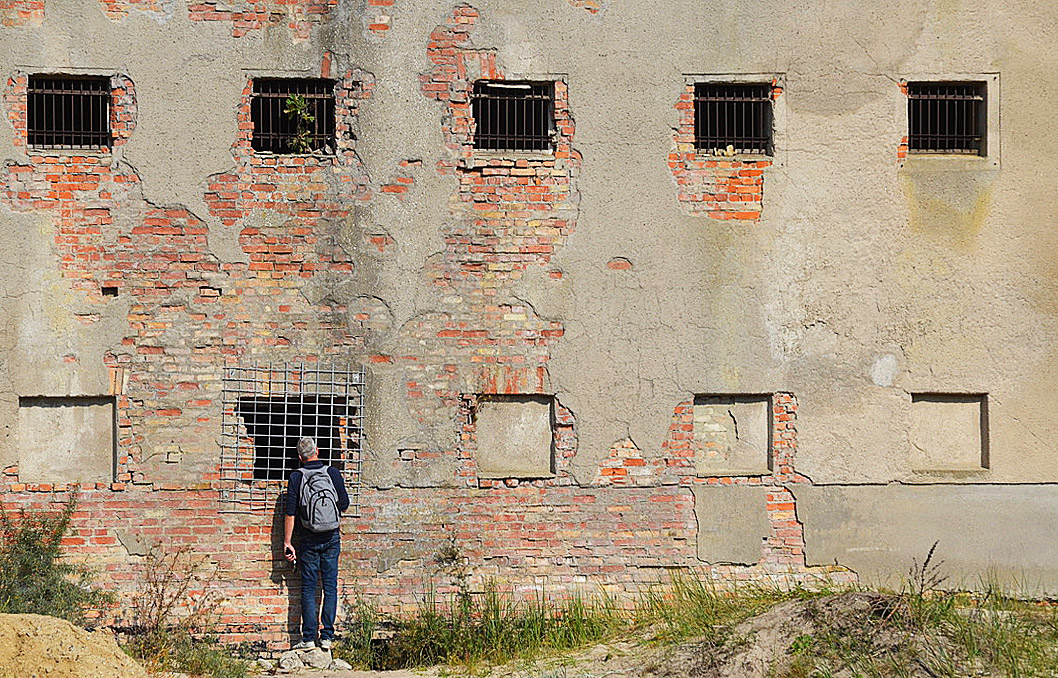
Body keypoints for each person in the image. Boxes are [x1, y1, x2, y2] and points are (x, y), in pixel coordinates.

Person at [283, 436, 349, 650]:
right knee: (330, 587)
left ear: (300, 457)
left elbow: (290, 512)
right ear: (317, 451)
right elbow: (345, 504)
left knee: (309, 588)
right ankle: (328, 637)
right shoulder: (332, 473)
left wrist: (287, 541)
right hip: (331, 536)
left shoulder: (296, 477)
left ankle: (309, 639)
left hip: (308, 538)